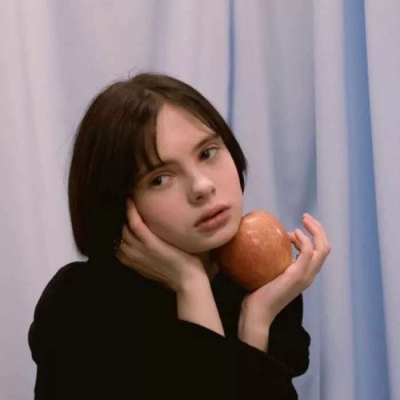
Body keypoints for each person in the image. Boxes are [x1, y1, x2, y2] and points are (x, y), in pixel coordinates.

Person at [28, 73, 330, 399]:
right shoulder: (80, 305)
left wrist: (255, 321)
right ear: (118, 203)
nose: (202, 186)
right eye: (160, 179)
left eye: (207, 153)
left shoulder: (255, 280)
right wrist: (191, 285)